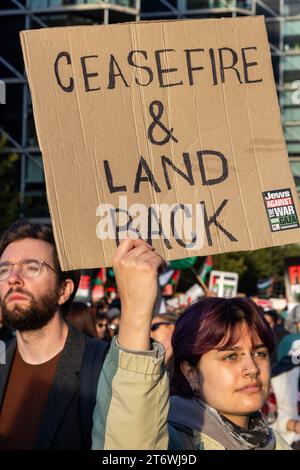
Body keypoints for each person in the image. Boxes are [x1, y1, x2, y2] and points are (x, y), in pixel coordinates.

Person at [92, 240, 290, 450]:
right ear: (190, 373)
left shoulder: (276, 442)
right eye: (230, 356)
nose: (252, 369)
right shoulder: (174, 443)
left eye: (259, 353)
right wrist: (135, 312)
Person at [0, 222, 168, 450]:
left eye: (31, 267)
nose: (13, 278)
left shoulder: (106, 368)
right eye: (4, 269)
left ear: (64, 290)